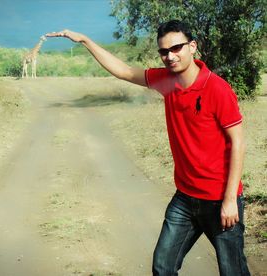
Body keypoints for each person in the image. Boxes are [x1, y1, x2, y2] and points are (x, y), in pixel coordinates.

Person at [46, 20, 250, 276]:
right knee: (163, 267)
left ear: (193, 46)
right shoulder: (166, 80)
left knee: (233, 271)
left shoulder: (216, 88)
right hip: (185, 197)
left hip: (219, 197)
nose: (170, 56)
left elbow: (238, 142)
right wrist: (86, 40)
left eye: (176, 48)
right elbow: (122, 70)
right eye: (164, 51)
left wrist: (230, 200)